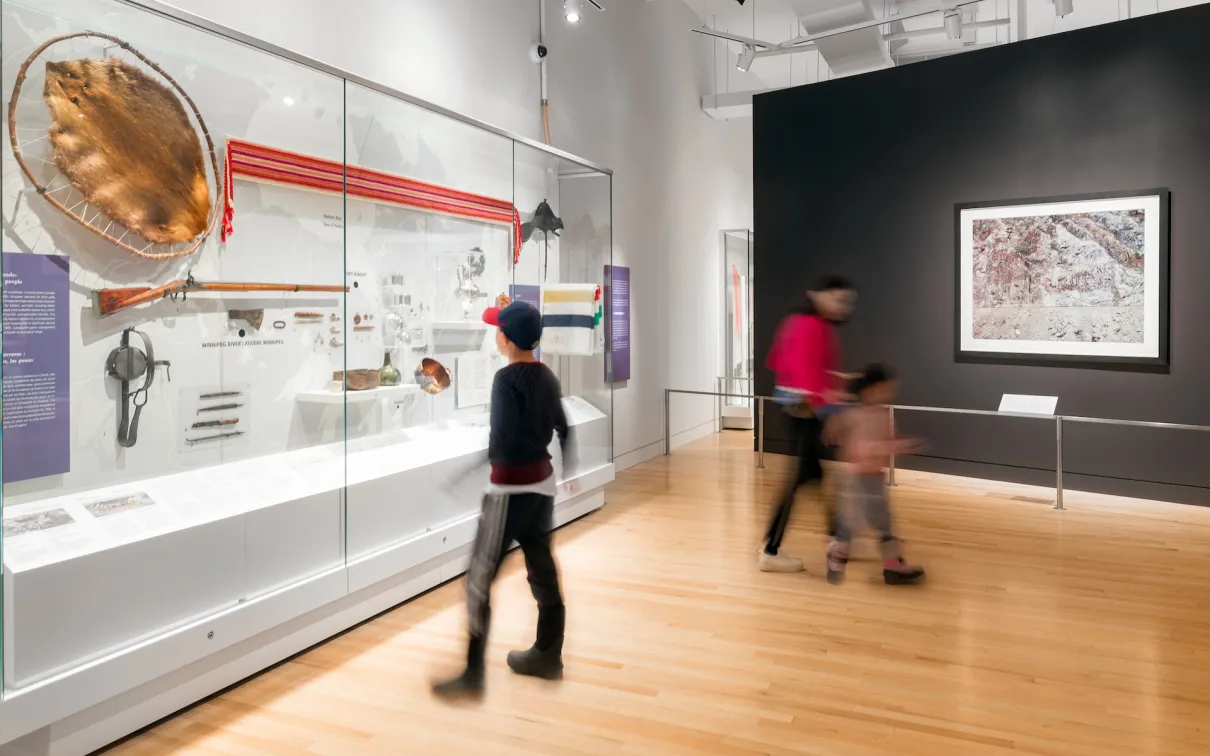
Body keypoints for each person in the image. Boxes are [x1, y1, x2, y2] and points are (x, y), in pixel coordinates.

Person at [432, 300, 575, 699]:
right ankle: (548, 655)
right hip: (541, 487)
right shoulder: (546, 376)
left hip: (508, 492)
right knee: (542, 571)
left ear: (506, 338)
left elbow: (505, 438)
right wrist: (570, 468)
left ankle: (473, 674)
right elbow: (563, 427)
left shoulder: (504, 379)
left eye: (498, 329)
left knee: (478, 580)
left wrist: (487, 459)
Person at [760, 275, 855, 573]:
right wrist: (828, 410)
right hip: (805, 410)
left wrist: (828, 384)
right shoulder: (811, 325)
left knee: (813, 473)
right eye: (839, 299)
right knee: (800, 477)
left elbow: (775, 361)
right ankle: (770, 550)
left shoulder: (798, 322)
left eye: (847, 302)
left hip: (800, 407)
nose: (844, 307)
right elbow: (806, 373)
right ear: (818, 296)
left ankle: (835, 537)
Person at [825, 363, 925, 585]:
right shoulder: (856, 415)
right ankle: (837, 559)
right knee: (850, 523)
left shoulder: (883, 415)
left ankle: (892, 566)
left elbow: (888, 442)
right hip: (856, 480)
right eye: (885, 389)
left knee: (883, 523)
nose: (889, 394)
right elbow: (852, 443)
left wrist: (901, 446)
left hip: (875, 479)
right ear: (870, 390)